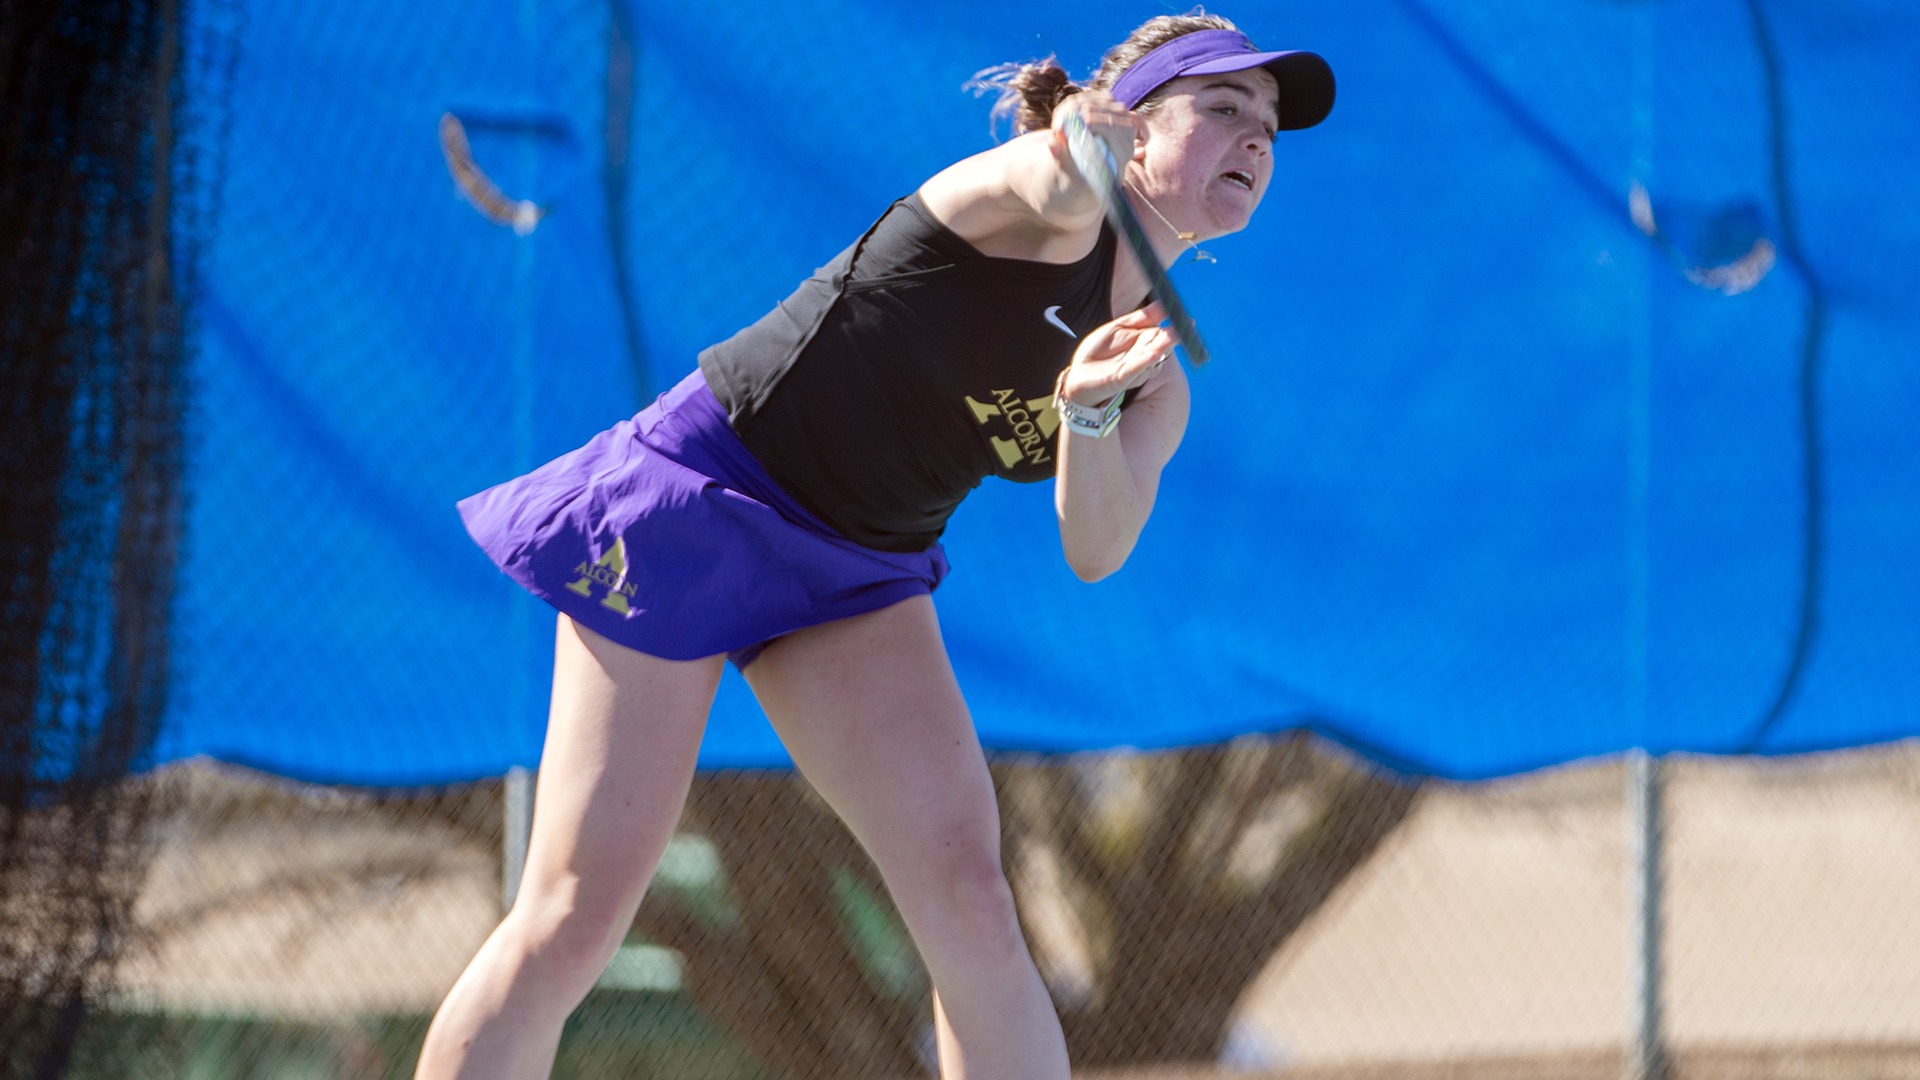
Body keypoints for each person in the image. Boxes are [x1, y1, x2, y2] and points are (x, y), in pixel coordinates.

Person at [415, 12, 1333, 1080]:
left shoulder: (1154, 375)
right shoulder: (1036, 193)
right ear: (1130, 123)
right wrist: (1079, 139)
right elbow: (1060, 177)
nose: (1256, 139)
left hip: (856, 575)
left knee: (973, 905)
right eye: (1223, 108)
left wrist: (1086, 414)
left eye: (1268, 125)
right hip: (699, 504)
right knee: (573, 915)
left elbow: (1096, 546)